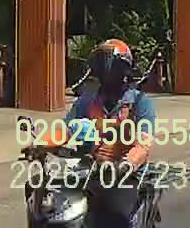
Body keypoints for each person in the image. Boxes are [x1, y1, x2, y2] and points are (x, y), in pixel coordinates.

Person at [34, 39, 156, 228]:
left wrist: (126, 165)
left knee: (116, 216)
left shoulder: (140, 102)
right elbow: (65, 130)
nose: (105, 72)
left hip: (126, 176)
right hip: (90, 171)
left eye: (109, 65)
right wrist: (40, 144)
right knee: (50, 203)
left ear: (123, 70)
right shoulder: (87, 101)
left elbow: (143, 145)